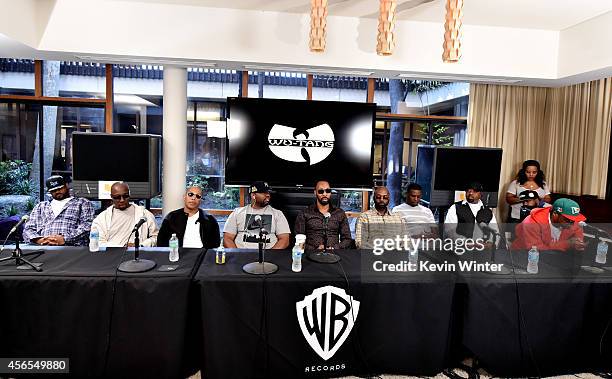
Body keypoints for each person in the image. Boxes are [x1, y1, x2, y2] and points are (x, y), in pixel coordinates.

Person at [23, 175, 94, 246]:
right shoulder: (41, 206)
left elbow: (88, 225)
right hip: (44, 249)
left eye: (60, 188)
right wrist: (40, 240)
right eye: (53, 190)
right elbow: (28, 229)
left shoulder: (82, 203)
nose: (57, 192)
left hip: (73, 249)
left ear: (66, 186)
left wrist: (64, 238)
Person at [223, 181, 290, 249]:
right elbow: (227, 238)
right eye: (263, 193)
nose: (268, 195)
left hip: (269, 257)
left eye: (268, 192)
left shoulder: (278, 214)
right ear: (253, 195)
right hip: (241, 255)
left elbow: (284, 240)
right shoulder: (237, 213)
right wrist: (237, 256)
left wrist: (270, 256)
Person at [91, 182, 158, 247]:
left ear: (129, 195)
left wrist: (140, 245)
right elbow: (97, 243)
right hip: (112, 256)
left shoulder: (144, 214)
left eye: (125, 196)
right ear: (111, 197)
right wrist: (122, 247)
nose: (122, 200)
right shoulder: (101, 219)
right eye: (117, 197)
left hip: (138, 255)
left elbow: (156, 237)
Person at [295, 180, 353, 251]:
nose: (325, 194)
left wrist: (335, 248)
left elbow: (347, 239)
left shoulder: (339, 213)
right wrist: (315, 249)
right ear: (315, 192)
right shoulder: (305, 213)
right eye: (321, 191)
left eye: (327, 191)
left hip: (334, 255)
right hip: (311, 254)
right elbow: (298, 240)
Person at [512, 198, 585, 251]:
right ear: (555, 214)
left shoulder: (570, 222)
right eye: (568, 220)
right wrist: (567, 244)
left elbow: (577, 230)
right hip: (522, 256)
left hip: (554, 257)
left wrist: (578, 243)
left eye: (574, 220)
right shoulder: (531, 223)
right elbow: (536, 249)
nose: (572, 224)